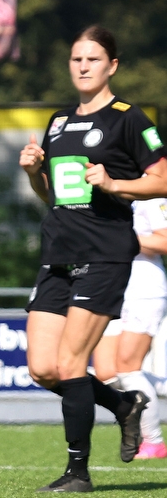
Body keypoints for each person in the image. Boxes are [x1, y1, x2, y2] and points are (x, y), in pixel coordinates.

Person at [19, 25, 167, 492]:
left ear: (112, 66)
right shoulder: (59, 121)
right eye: (76, 59)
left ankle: (77, 472)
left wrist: (114, 183)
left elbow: (161, 179)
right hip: (58, 251)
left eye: (92, 59)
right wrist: (32, 173)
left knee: (70, 363)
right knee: (42, 367)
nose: (82, 67)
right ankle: (123, 405)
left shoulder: (129, 118)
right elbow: (54, 199)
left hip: (105, 253)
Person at [91, 197, 167, 459]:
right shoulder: (101, 195)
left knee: (128, 367)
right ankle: (159, 386)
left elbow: (164, 241)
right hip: (110, 289)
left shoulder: (151, 197)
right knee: (106, 372)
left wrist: (123, 235)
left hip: (144, 291)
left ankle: (154, 443)